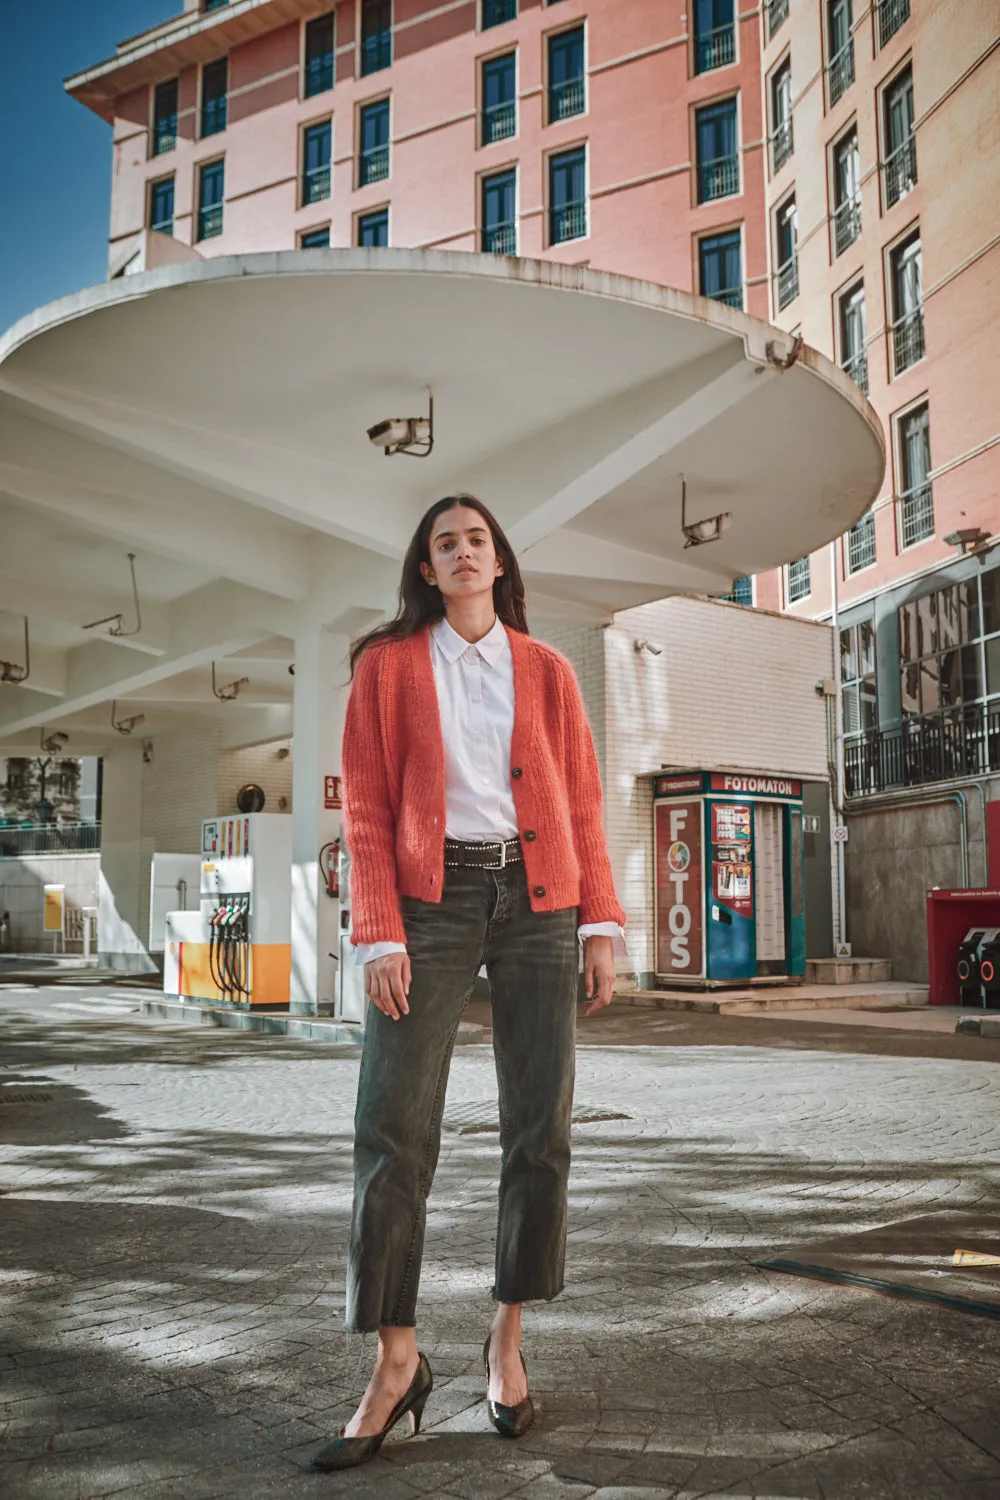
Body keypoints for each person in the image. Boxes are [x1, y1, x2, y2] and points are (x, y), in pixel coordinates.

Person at [312, 493, 625, 1472]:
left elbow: (578, 794)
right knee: (391, 1122)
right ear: (424, 568)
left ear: (498, 562)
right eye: (442, 542)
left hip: (539, 901)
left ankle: (507, 1342)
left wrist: (601, 920)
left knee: (542, 1125)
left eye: (475, 540)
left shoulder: (546, 668)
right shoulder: (387, 667)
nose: (460, 552)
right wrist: (377, 931)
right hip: (430, 896)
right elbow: (364, 805)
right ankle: (396, 1361)